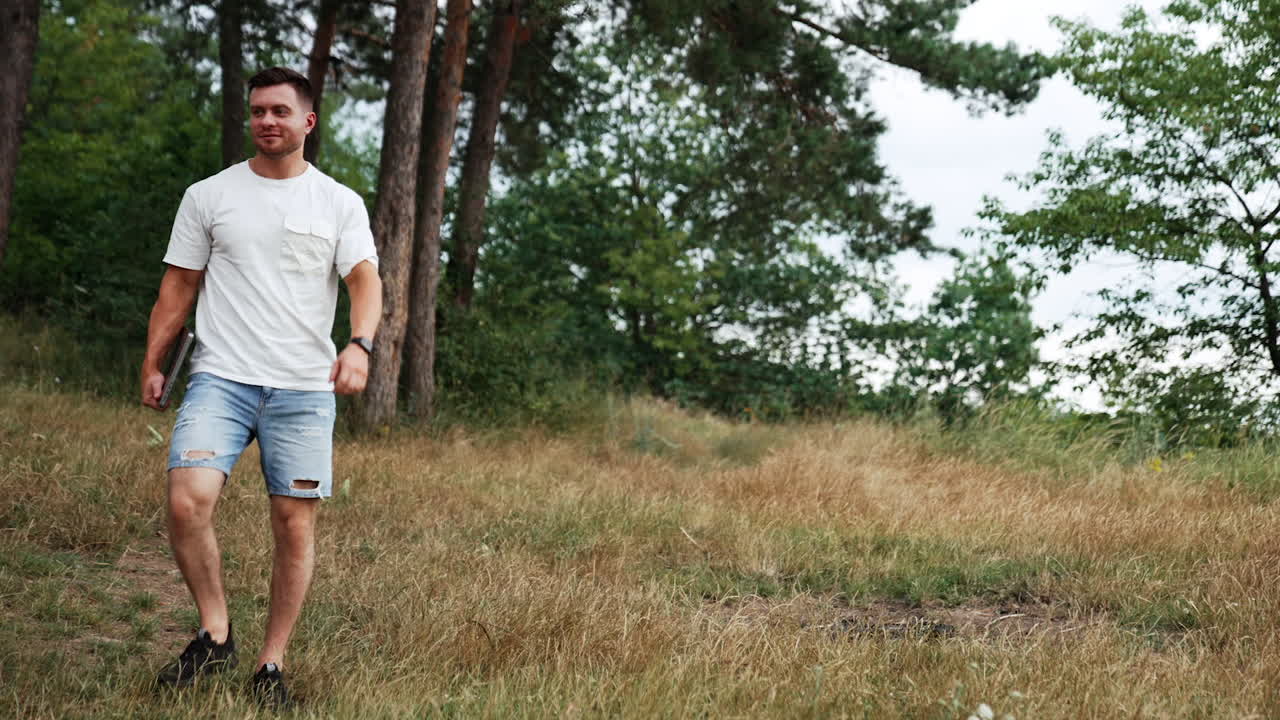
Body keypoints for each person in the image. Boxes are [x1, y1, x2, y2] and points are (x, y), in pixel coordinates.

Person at [140, 66, 382, 708]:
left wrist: (359, 344)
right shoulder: (209, 195)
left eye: (280, 111)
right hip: (220, 378)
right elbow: (178, 286)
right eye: (257, 111)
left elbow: (364, 279)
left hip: (303, 389)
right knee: (187, 501)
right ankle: (215, 633)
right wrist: (153, 361)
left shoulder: (338, 203)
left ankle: (270, 665)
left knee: (293, 525)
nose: (266, 121)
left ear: (308, 121)